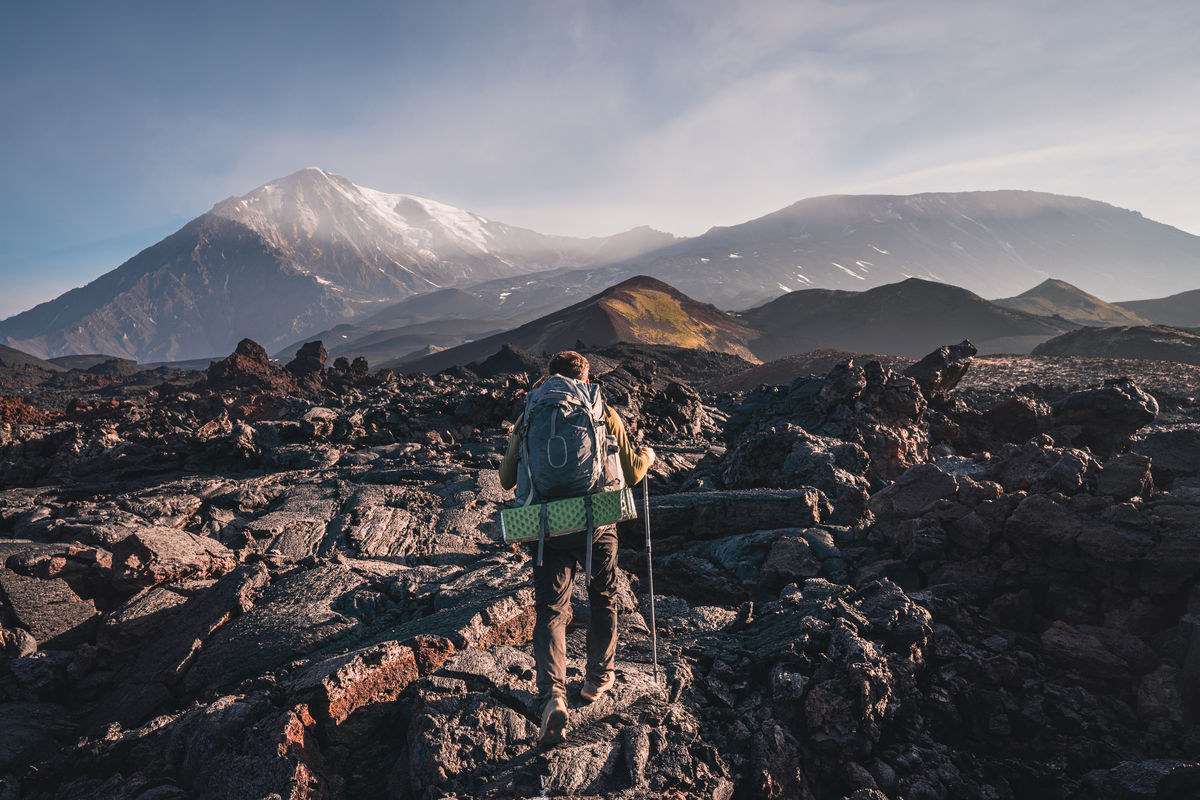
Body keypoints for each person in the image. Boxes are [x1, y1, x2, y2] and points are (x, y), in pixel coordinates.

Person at [498, 350, 655, 747]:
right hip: (596, 523)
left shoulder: (530, 414)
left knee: (551, 609)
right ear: (585, 379)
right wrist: (649, 458)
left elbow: (504, 480)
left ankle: (553, 695)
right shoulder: (602, 411)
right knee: (603, 596)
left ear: (549, 378)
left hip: (548, 528)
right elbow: (633, 473)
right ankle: (597, 680)